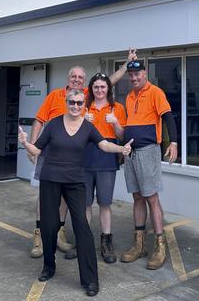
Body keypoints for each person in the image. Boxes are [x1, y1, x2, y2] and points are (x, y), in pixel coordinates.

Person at [19, 89, 133, 296]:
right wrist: (25, 143)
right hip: (51, 178)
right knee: (49, 224)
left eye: (80, 103)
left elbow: (104, 144)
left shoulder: (88, 127)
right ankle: (48, 266)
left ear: (84, 105)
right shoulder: (53, 124)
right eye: (72, 102)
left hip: (75, 182)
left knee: (82, 226)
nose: (75, 106)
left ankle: (90, 279)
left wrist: (121, 149)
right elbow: (37, 150)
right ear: (66, 102)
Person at [27, 49, 136, 259]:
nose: (77, 80)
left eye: (80, 78)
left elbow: (107, 82)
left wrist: (125, 65)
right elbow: (39, 120)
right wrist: (33, 146)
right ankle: (40, 235)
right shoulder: (55, 96)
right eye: (73, 77)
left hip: (76, 155)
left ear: (84, 82)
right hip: (50, 151)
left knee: (68, 198)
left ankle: (59, 233)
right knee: (46, 196)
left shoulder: (86, 96)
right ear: (68, 79)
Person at [120, 60, 178, 270]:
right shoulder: (128, 96)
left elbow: (168, 118)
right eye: (131, 75)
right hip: (131, 153)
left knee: (151, 197)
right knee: (137, 197)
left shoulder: (156, 92)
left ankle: (160, 245)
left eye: (138, 74)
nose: (134, 78)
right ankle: (139, 243)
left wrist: (173, 142)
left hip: (148, 151)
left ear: (145, 74)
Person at [83, 72, 126, 263]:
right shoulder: (83, 107)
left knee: (105, 203)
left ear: (108, 88)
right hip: (84, 158)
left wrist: (115, 122)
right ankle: (83, 241)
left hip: (106, 159)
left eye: (103, 87)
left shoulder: (117, 108)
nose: (99, 90)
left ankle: (107, 242)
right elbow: (72, 131)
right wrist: (83, 121)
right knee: (84, 203)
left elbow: (122, 136)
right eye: (96, 87)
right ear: (91, 89)